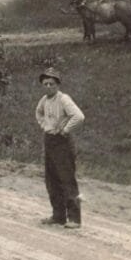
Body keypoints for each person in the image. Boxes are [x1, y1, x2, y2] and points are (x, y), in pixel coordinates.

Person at [35, 67, 85, 229]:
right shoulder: (44, 100)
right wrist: (45, 126)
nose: (48, 87)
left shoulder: (64, 99)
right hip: (49, 140)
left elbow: (78, 116)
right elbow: (38, 113)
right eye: (45, 84)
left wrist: (65, 129)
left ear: (57, 84)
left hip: (62, 142)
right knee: (52, 179)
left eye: (51, 83)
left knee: (67, 179)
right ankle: (58, 215)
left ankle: (75, 218)